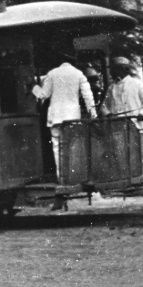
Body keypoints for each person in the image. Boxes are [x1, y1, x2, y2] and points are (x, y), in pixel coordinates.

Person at [32, 53, 97, 190]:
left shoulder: (52, 74)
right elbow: (87, 95)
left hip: (56, 116)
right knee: (72, 146)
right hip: (73, 116)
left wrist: (33, 87)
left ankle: (61, 177)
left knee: (57, 147)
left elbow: (44, 95)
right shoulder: (78, 74)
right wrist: (93, 114)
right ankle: (73, 177)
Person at [102, 56, 143, 132]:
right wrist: (108, 114)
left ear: (124, 70)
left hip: (134, 123)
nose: (112, 72)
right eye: (113, 69)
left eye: (116, 69)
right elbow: (104, 105)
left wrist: (142, 114)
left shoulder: (136, 84)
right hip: (117, 124)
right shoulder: (111, 87)